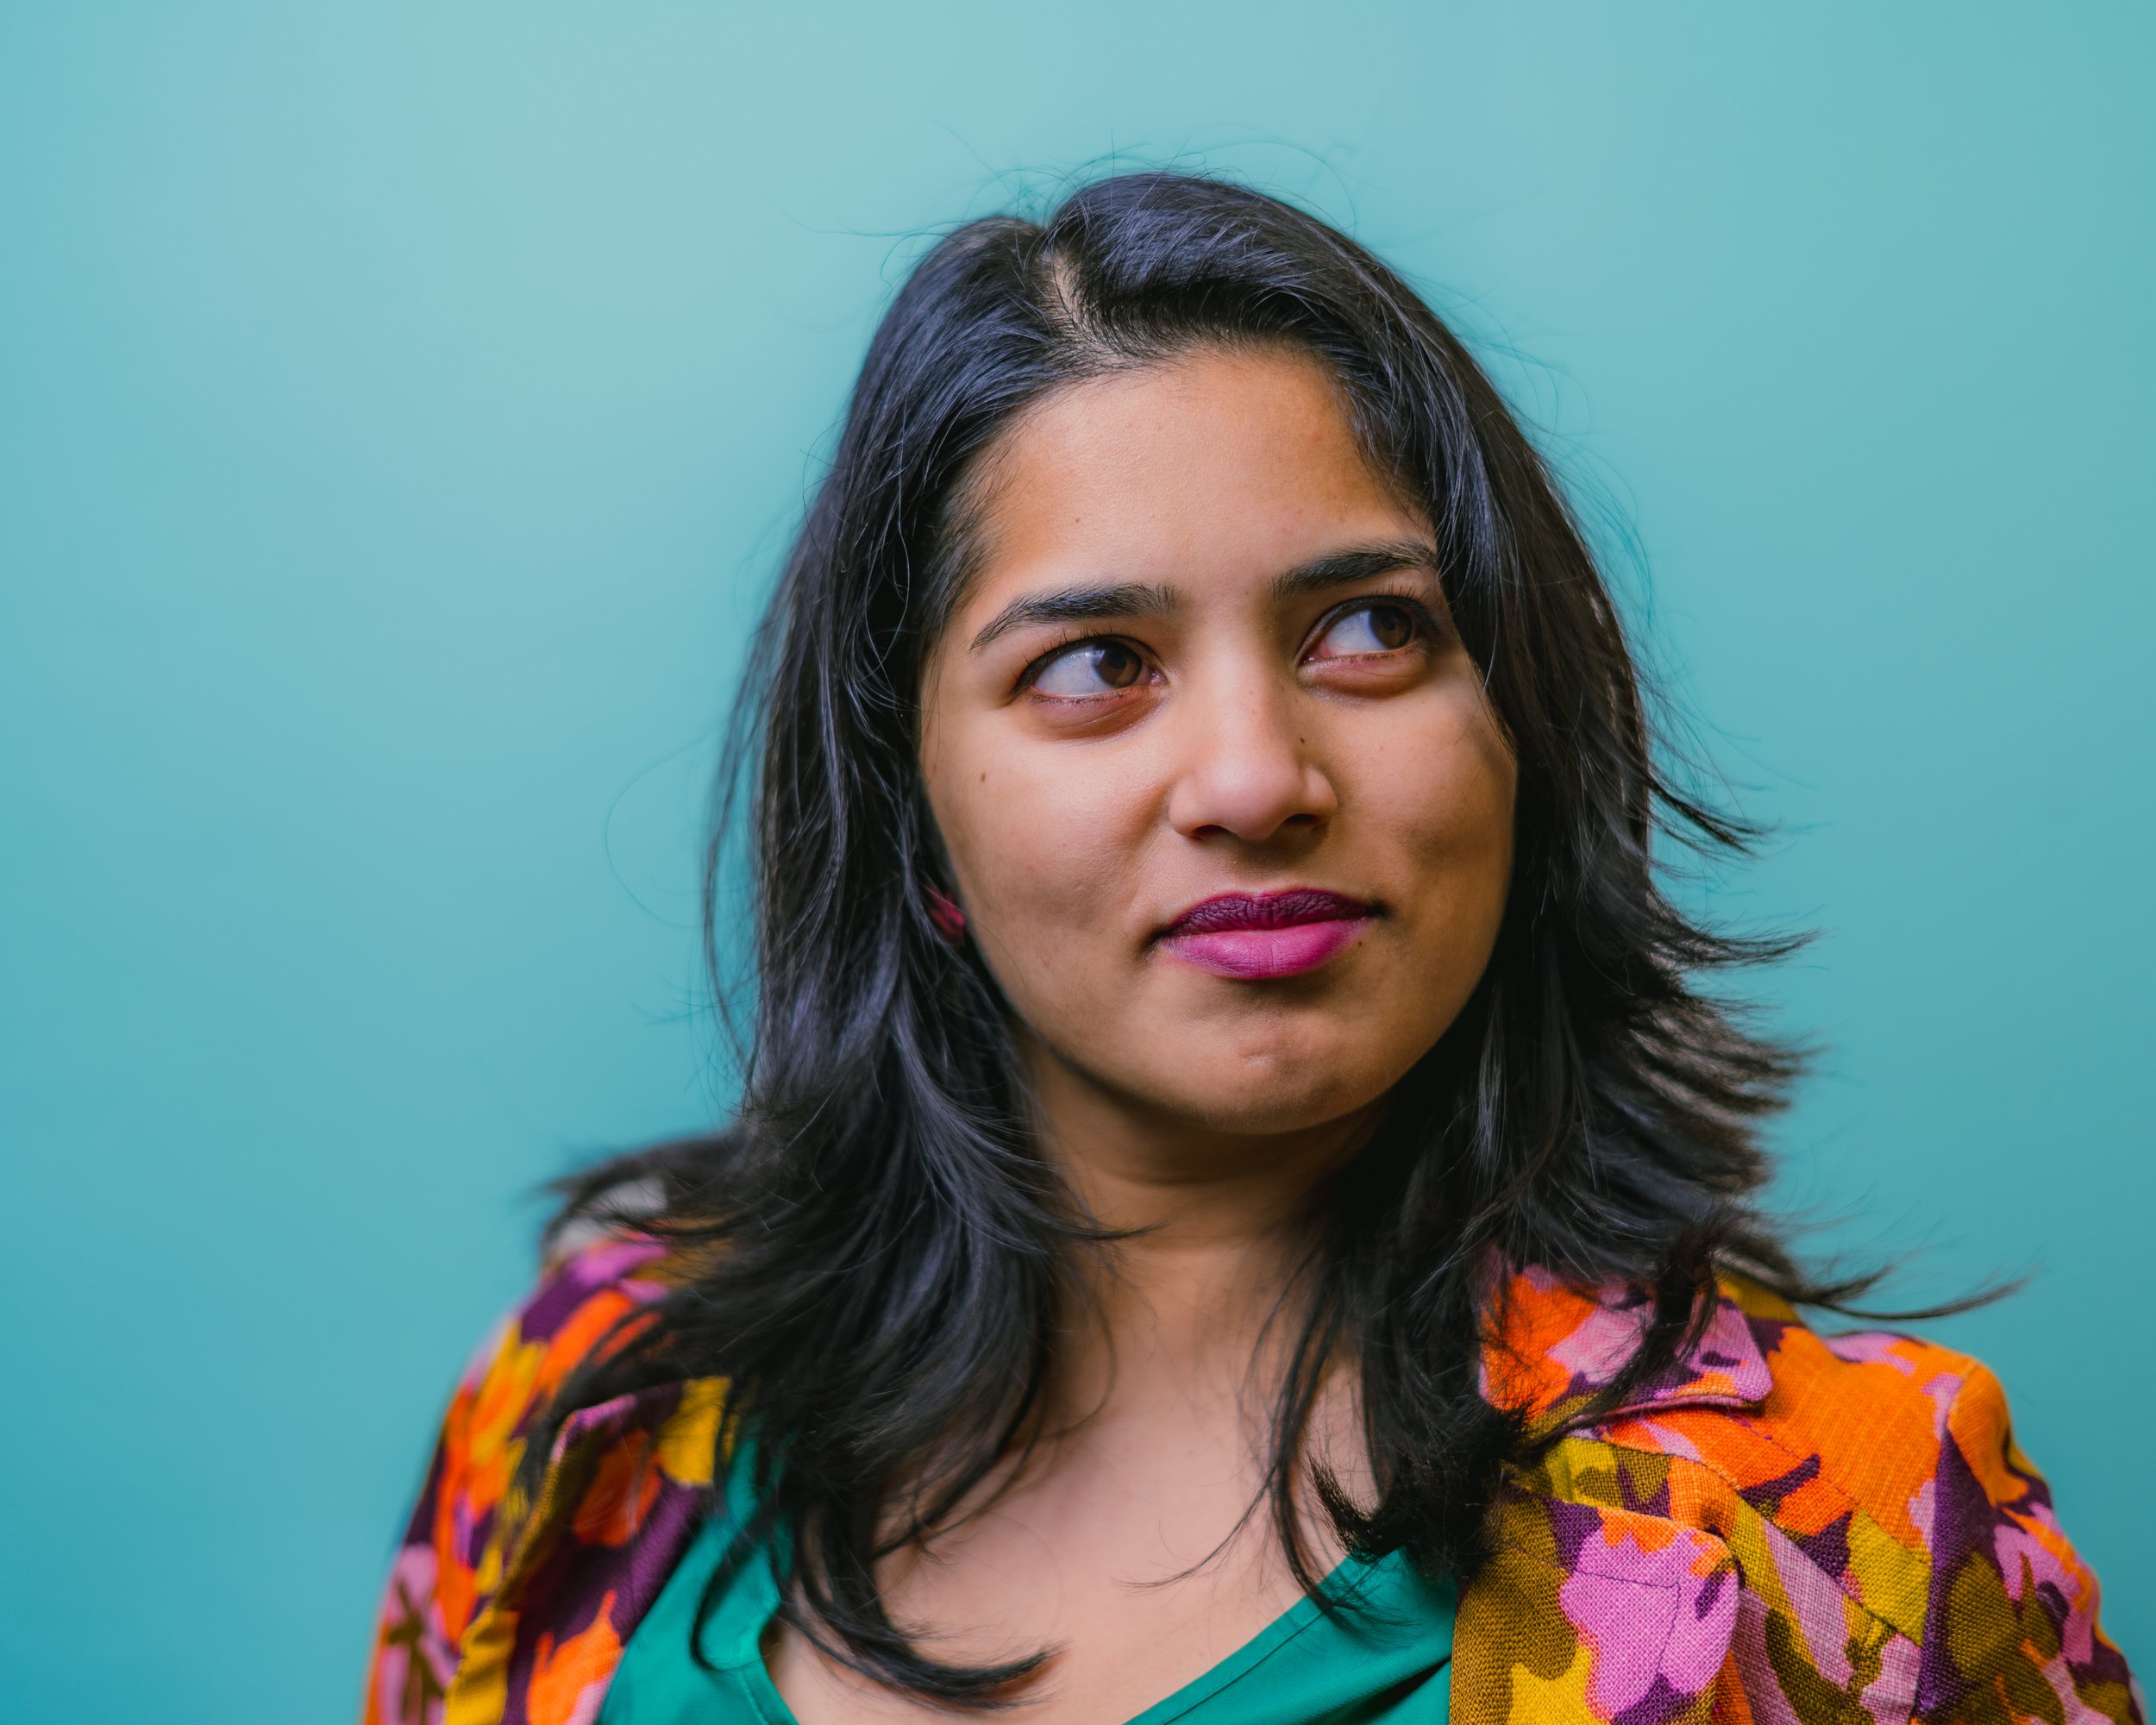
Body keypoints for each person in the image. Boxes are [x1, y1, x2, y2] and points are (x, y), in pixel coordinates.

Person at [359, 172, 2138, 1725]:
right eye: (1092, 667)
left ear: (1522, 726)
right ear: (917, 823)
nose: (1252, 777)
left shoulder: (1848, 1520)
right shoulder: (582, 1402)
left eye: (1366, 629)